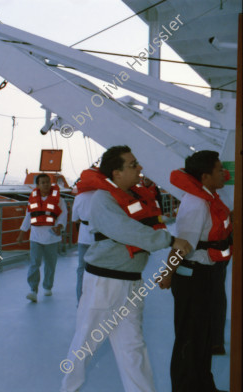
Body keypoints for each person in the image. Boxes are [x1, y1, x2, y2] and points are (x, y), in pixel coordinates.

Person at [60, 146, 192, 392]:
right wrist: (171, 241)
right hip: (104, 284)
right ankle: (68, 389)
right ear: (116, 173)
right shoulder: (103, 199)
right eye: (133, 165)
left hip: (131, 283)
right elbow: (126, 230)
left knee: (133, 347)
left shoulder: (136, 197)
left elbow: (148, 227)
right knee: (85, 345)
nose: (139, 168)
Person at [158, 150, 232, 392]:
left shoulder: (209, 197)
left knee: (203, 337)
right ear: (205, 176)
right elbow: (182, 245)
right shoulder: (197, 203)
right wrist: (168, 274)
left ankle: (203, 386)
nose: (224, 174)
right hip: (192, 278)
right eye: (219, 170)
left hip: (206, 275)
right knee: (189, 339)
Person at [17, 173, 67, 300]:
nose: (46, 185)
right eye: (43, 182)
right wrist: (22, 233)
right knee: (34, 264)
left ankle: (48, 287)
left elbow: (63, 216)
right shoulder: (33, 199)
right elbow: (28, 217)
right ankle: (33, 290)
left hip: (52, 238)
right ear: (38, 185)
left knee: (50, 264)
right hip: (35, 237)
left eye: (47, 182)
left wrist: (59, 226)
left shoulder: (59, 200)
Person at [71, 178, 95, 304]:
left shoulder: (79, 197)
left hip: (84, 237)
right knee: (99, 270)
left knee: (81, 269)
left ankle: (80, 300)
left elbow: (75, 217)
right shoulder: (103, 195)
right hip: (100, 237)